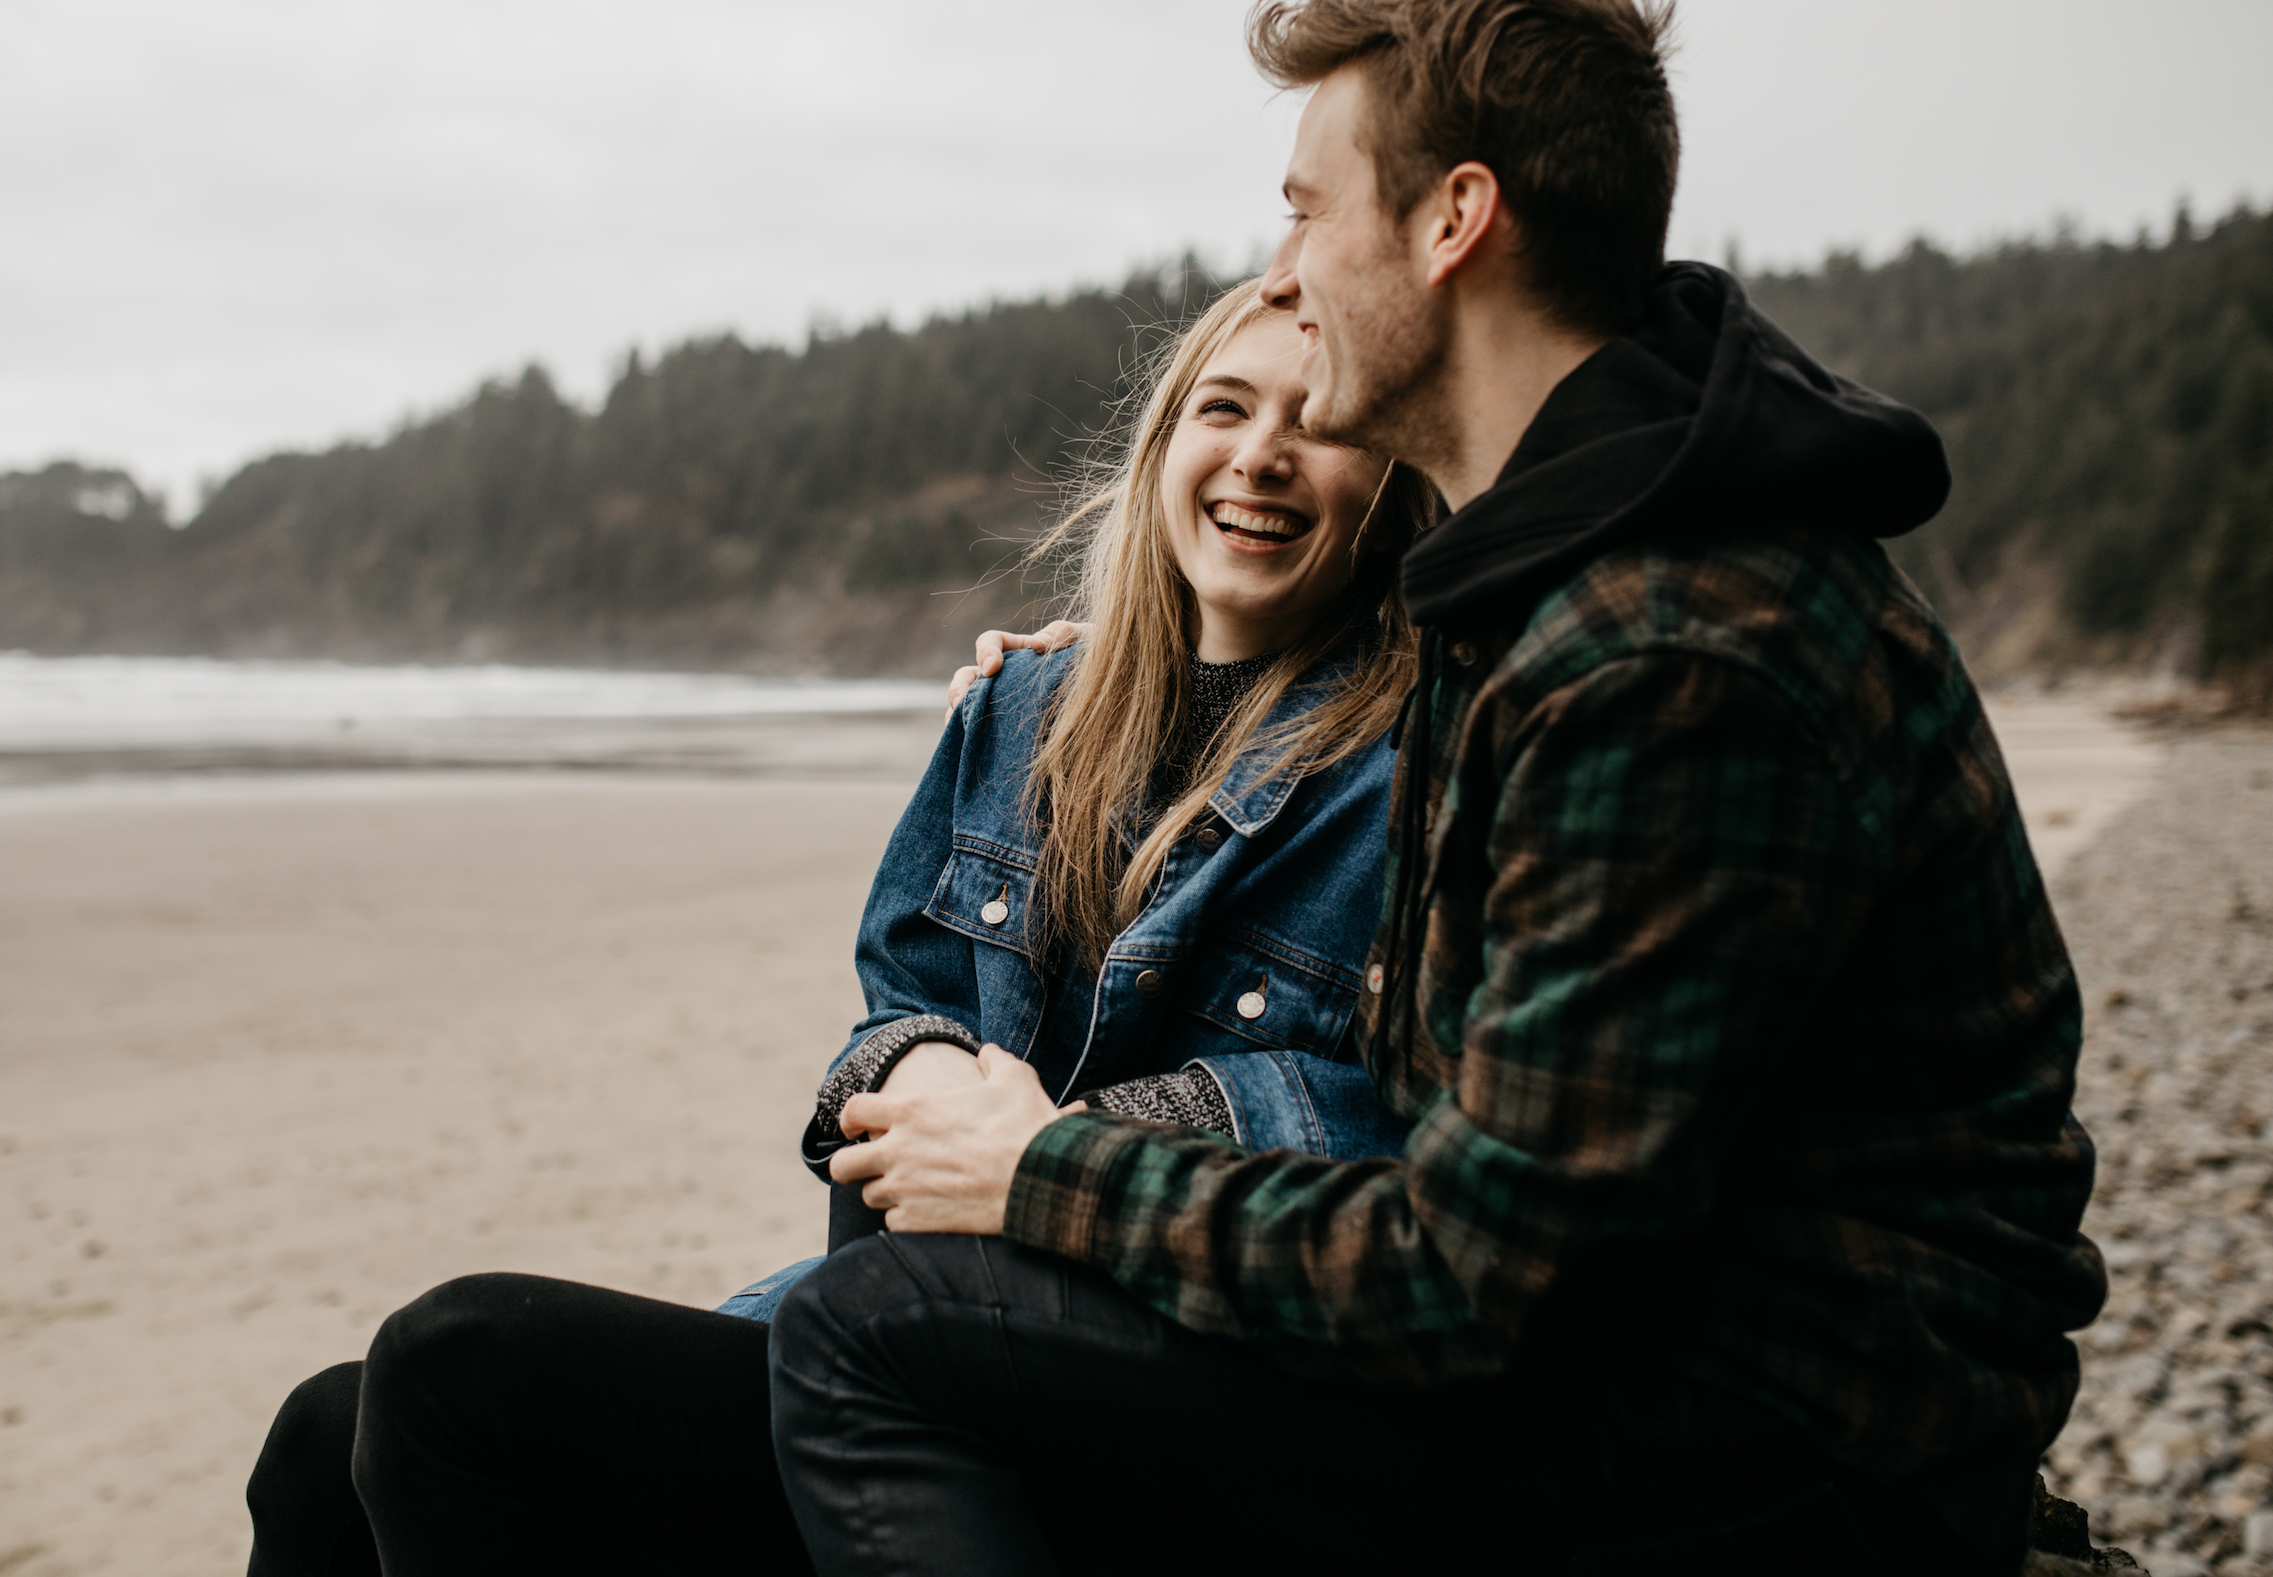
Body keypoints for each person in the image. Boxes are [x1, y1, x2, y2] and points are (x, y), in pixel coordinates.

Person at [768, 0, 2106, 1577]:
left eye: (1309, 208)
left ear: (1453, 221)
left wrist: (1051, 1171)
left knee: (877, 1339)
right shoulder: (1549, 583)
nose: (1289, 267)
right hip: (1630, 1375)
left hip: (1783, 1453)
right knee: (485, 1383)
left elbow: (1487, 1274)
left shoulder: (1673, 644)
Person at [240, 279, 1438, 1574]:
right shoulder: (1026, 707)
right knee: (320, 1440)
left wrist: (1060, 1145)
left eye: (1318, 422)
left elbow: (1415, 1130)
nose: (1260, 451)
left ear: (1391, 486)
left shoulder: (1414, 768)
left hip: (1139, 1392)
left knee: (455, 1362)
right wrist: (915, 1067)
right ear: (1161, 447)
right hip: (886, 1322)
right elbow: (903, 997)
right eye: (1225, 405)